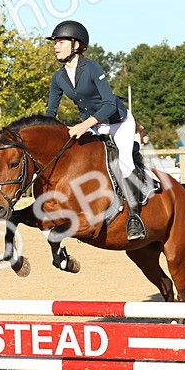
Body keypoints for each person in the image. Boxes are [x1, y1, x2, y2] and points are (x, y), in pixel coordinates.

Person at [43, 20, 154, 241]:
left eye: (61, 42)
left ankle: (134, 217)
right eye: (55, 42)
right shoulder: (59, 78)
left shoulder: (92, 67)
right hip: (93, 125)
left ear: (76, 45)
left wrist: (85, 125)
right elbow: (50, 113)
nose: (56, 46)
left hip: (118, 121)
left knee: (123, 164)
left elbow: (110, 104)